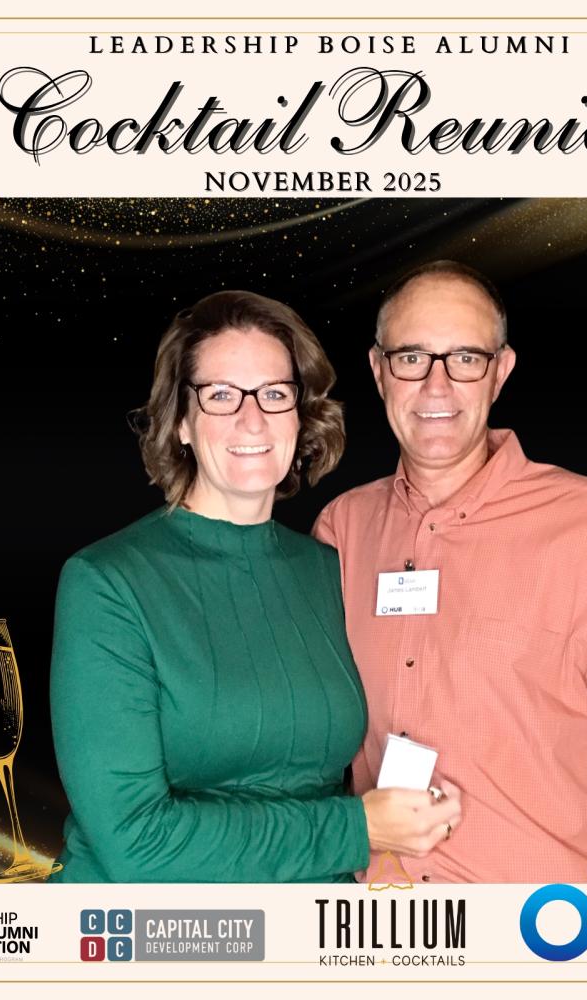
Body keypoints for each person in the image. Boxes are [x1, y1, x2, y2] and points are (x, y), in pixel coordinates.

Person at [314, 261, 587, 883]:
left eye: (466, 359)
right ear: (378, 370)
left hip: (548, 922)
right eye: (412, 358)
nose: (437, 384)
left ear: (500, 371)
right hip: (386, 921)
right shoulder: (344, 529)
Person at [49, 290, 460, 882]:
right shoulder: (107, 583)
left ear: (301, 415)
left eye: (274, 394)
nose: (252, 419)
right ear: (181, 421)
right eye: (221, 395)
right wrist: (355, 830)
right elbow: (136, 845)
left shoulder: (327, 569)